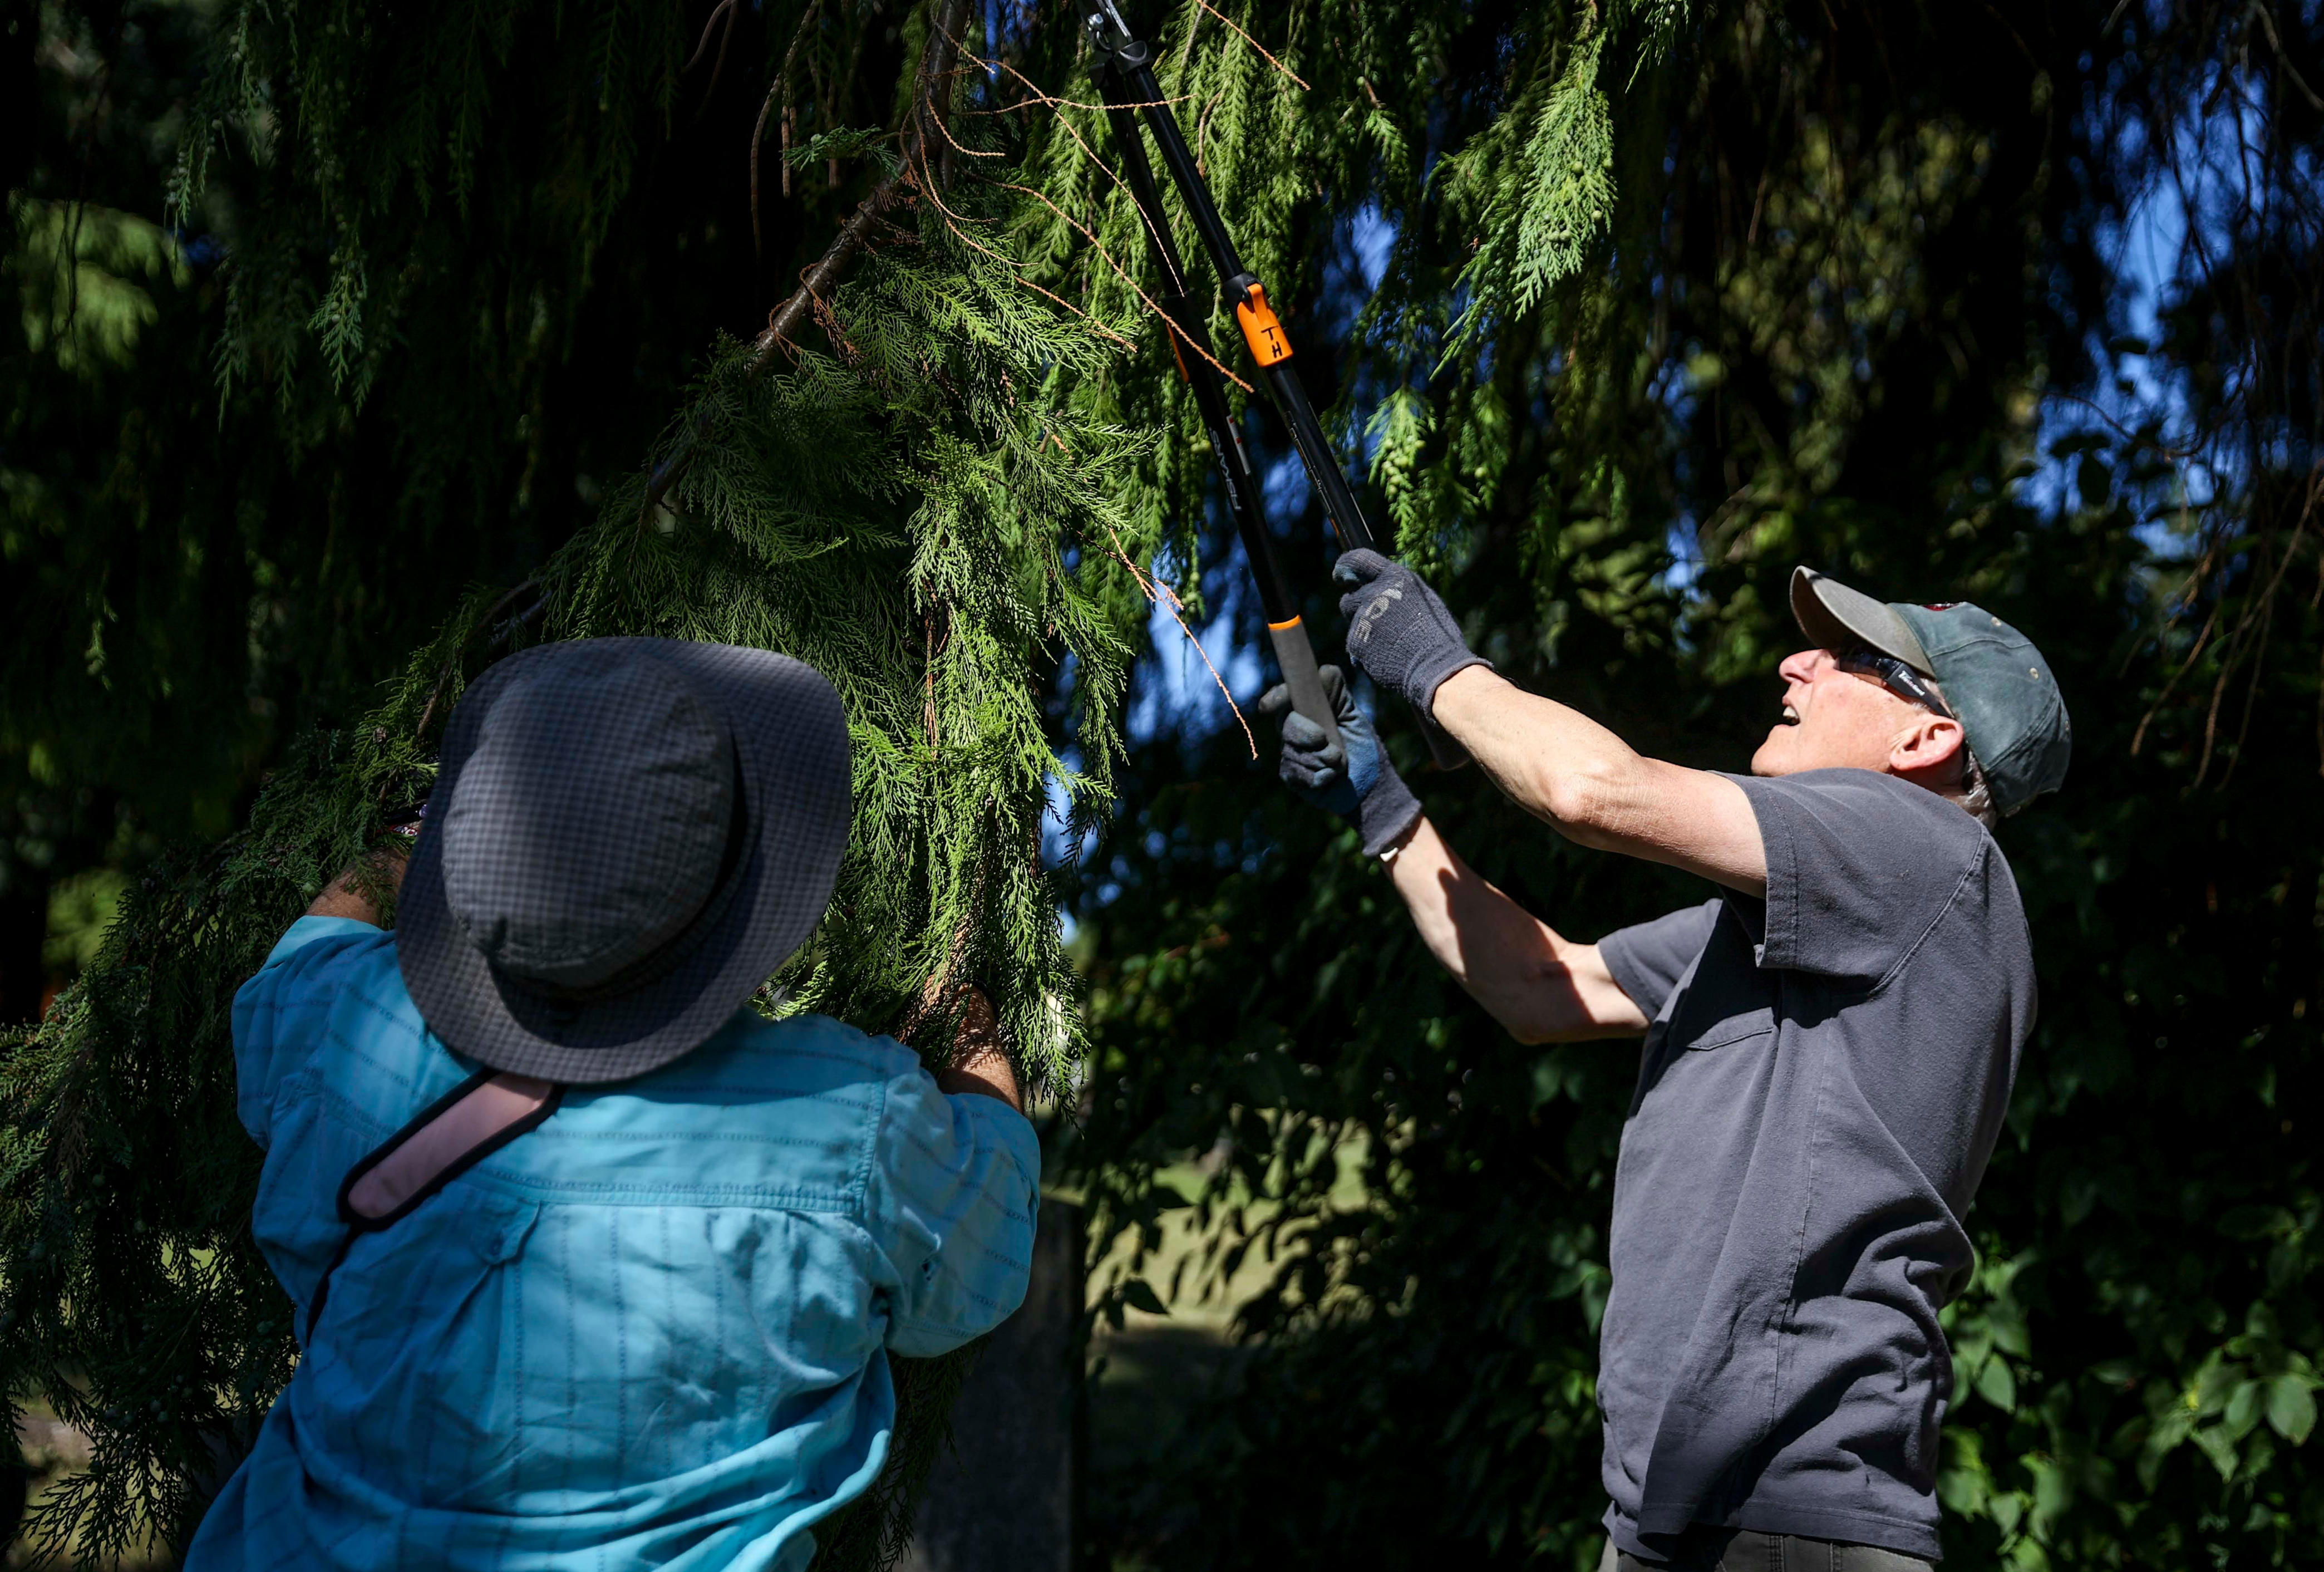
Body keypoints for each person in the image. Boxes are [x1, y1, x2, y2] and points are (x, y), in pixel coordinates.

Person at [1261, 556, 2071, 1571]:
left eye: (1853, 660)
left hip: (1788, 1513)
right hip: (1676, 1509)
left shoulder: (1925, 849)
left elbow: (1592, 790)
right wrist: (1386, 809)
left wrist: (1437, 667)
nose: (1796, 665)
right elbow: (1541, 988)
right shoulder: (1805, 921)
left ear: (1929, 738)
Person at [188, 638, 1038, 1571]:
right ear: (745, 893)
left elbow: (303, 951)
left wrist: (408, 846)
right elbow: (986, 1249)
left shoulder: (346, 1027)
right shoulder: (852, 1121)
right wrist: (972, 1033)